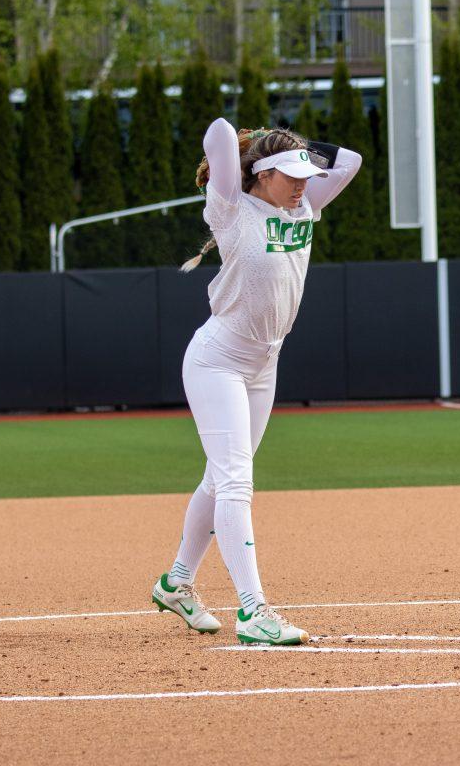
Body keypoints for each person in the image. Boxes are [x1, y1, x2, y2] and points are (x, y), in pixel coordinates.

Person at [150, 117, 362, 645]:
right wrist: (256, 145)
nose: (300, 183)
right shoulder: (231, 208)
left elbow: (351, 161)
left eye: (303, 173)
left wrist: (294, 150)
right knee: (237, 482)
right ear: (260, 176)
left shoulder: (305, 205)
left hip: (263, 366)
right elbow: (220, 130)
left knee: (219, 480)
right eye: (289, 174)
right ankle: (254, 611)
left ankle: (176, 583)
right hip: (217, 359)